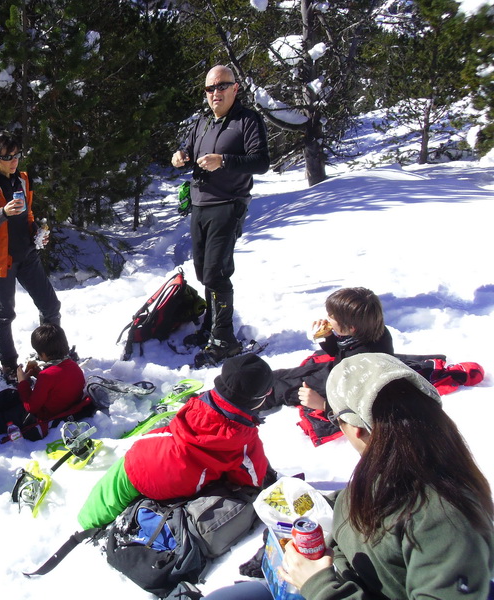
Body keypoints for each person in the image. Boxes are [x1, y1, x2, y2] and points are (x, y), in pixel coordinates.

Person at [205, 353, 494, 600]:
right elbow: (369, 510)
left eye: (336, 420)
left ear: (355, 428)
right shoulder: (397, 467)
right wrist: (314, 508)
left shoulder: (446, 522)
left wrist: (319, 585)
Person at [78, 353, 273, 530]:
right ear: (257, 400)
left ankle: (85, 525)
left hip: (145, 452)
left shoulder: (199, 402)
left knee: (109, 494)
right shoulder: (246, 440)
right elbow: (252, 478)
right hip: (174, 480)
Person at [171, 65, 270, 368]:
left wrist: (224, 160)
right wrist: (179, 156)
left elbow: (261, 161)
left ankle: (225, 340)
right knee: (203, 270)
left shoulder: (247, 120)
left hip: (229, 203)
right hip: (200, 204)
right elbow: (184, 150)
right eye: (210, 88)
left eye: (222, 86)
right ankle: (211, 329)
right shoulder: (201, 122)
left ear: (235, 88)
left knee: (216, 272)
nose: (216, 93)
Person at [0, 131, 61, 384]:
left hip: (26, 254)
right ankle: (9, 364)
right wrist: (3, 212)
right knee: (5, 316)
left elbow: (27, 214)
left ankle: (52, 355)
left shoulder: (22, 179)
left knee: (51, 306)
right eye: (7, 156)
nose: (14, 160)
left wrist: (37, 232)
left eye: (17, 155)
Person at [264, 287, 394, 412]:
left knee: (284, 389)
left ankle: (253, 398)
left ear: (351, 327)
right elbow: (339, 351)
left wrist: (323, 405)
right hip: (339, 368)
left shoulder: (363, 361)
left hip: (340, 383)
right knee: (284, 375)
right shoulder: (368, 331)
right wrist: (327, 336)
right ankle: (259, 379)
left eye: (332, 318)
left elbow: (358, 401)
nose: (327, 320)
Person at [0, 324, 85, 441]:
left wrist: (23, 382)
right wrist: (38, 375)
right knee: (7, 396)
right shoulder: (73, 366)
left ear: (43, 354)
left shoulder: (47, 375)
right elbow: (58, 386)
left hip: (39, 416)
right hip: (55, 407)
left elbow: (31, 407)